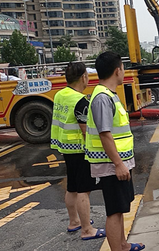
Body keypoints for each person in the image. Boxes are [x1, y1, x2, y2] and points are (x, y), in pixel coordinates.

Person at [85, 51, 145, 251]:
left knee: (119, 209)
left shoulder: (109, 94)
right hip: (111, 165)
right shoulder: (103, 98)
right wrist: (118, 164)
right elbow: (104, 134)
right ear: (117, 70)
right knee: (114, 211)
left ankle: (123, 245)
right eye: (123, 68)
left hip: (118, 163)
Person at [50, 62, 106, 240]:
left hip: (65, 147)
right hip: (81, 150)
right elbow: (84, 130)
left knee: (72, 187)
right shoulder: (80, 100)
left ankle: (74, 222)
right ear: (83, 77)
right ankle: (87, 230)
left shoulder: (60, 95)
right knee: (84, 190)